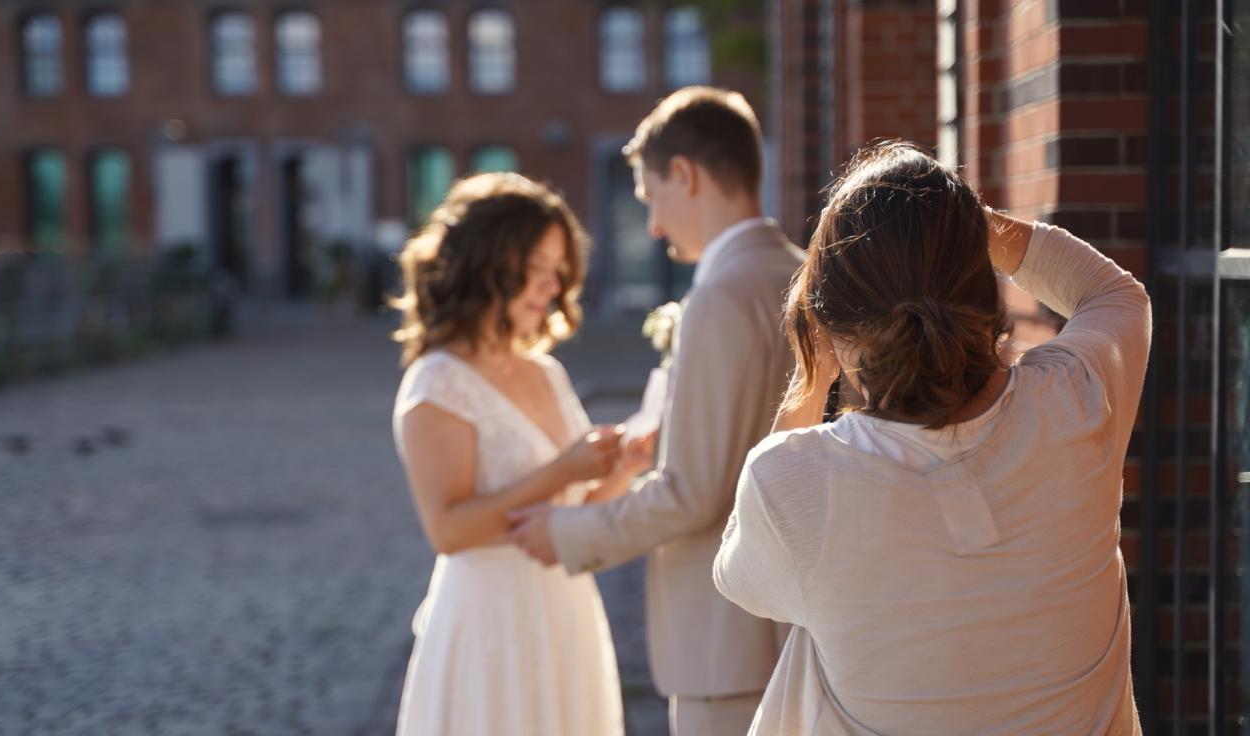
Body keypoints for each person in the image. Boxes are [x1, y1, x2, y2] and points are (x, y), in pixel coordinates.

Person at [714, 141, 1148, 734]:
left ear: (830, 327)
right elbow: (1115, 293)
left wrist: (811, 381)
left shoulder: (791, 482)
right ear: (984, 287)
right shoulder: (1076, 402)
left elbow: (739, 577)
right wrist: (958, 218)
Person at [508, 87, 804, 736]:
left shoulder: (720, 297)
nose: (654, 227)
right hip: (799, 626)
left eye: (651, 197)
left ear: (685, 175)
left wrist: (566, 531)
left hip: (726, 646)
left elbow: (692, 494)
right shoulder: (805, 274)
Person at [391, 173, 655, 736]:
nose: (551, 285)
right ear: (487, 264)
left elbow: (579, 505)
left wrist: (627, 465)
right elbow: (448, 530)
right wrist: (562, 470)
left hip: (564, 611)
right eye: (537, 267)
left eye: (558, 269)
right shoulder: (437, 382)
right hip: (489, 624)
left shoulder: (545, 371)